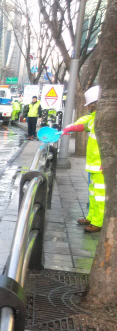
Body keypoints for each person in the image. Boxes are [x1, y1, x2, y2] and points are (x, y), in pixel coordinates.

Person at [62, 85, 103, 233]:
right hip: (94, 164)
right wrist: (70, 128)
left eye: (92, 105)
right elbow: (85, 125)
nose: (91, 108)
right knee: (92, 192)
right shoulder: (96, 118)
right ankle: (92, 216)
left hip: (102, 165)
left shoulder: (106, 120)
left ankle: (98, 222)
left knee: (100, 194)